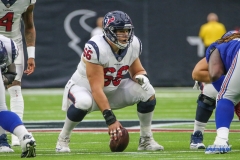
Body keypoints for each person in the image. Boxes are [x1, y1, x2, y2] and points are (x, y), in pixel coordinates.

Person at [55, 10, 164, 152]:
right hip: (84, 89)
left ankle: (146, 139)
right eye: (120, 31)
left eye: (127, 30)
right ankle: (63, 139)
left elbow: (137, 70)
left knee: (148, 90)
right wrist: (111, 120)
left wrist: (142, 77)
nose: (125, 34)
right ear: (108, 31)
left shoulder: (134, 44)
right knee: (84, 102)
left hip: (112, 89)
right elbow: (96, 89)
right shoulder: (96, 47)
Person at [190, 30, 239, 150]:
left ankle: (221, 140)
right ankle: (197, 134)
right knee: (209, 91)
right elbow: (197, 73)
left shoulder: (221, 48)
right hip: (227, 83)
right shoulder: (221, 49)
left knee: (226, 97)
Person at [0, 0, 37, 146]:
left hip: (13, 45)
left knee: (15, 87)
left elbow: (29, 26)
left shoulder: (27, 1)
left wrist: (31, 54)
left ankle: (18, 135)